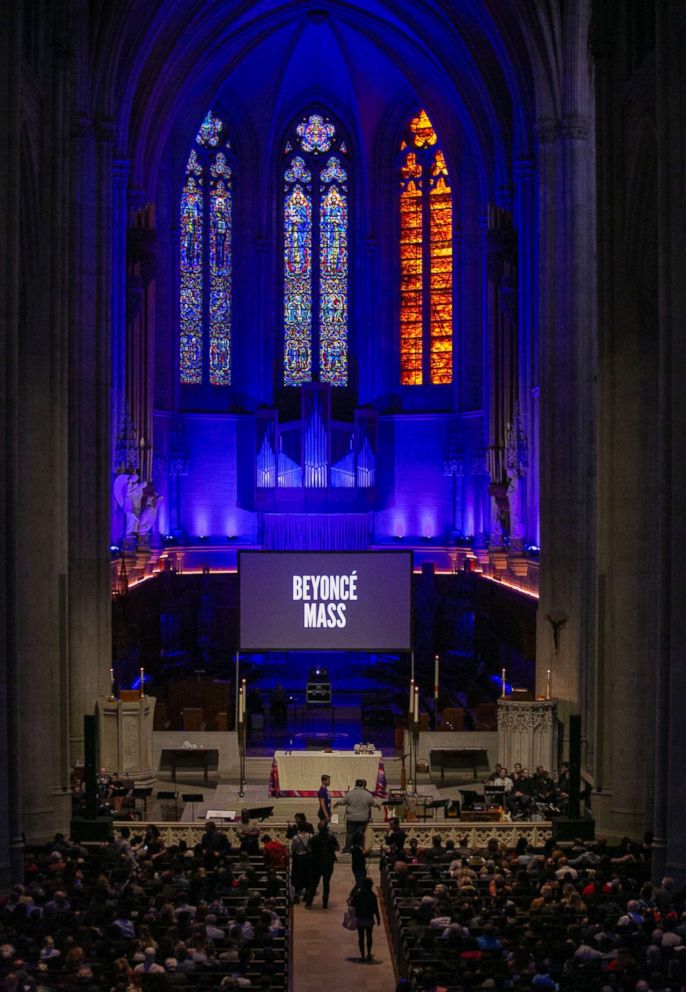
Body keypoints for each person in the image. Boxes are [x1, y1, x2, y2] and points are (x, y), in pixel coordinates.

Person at [334, 778, 381, 851]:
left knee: (350, 834)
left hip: (351, 818)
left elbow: (343, 801)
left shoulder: (350, 794)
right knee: (361, 834)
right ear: (362, 785)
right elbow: (374, 803)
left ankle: (348, 848)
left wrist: (336, 803)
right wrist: (378, 806)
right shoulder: (367, 794)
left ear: (355, 784)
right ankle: (360, 847)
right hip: (363, 819)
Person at [305, 820, 339, 909]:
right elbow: (337, 848)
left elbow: (309, 849)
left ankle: (309, 902)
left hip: (316, 863)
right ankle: (325, 903)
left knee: (314, 883)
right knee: (326, 884)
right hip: (328, 863)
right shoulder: (331, 838)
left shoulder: (314, 838)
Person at [349, 876, 381, 962]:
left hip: (360, 918)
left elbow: (352, 905)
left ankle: (362, 955)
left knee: (361, 937)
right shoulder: (372, 896)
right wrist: (378, 918)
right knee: (369, 936)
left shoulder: (357, 895)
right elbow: (376, 908)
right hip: (369, 918)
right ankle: (369, 953)